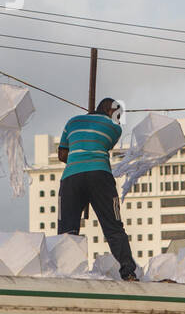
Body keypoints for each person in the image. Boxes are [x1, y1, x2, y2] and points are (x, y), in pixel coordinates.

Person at [57, 97, 138, 281]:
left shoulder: (72, 122)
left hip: (71, 177)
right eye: (118, 114)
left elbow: (63, 154)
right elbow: (101, 146)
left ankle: (65, 273)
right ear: (111, 111)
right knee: (114, 227)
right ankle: (128, 271)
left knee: (67, 230)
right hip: (100, 176)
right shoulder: (114, 128)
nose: (119, 119)